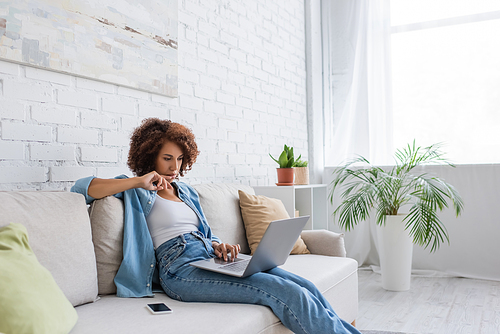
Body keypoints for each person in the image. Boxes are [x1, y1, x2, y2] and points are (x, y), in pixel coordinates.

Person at [71, 118, 361, 334]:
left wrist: (218, 246)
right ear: (149, 156)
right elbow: (82, 188)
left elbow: (204, 234)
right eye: (167, 158)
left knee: (303, 285)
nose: (174, 167)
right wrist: (138, 180)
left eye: (180, 159)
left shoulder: (186, 192)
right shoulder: (136, 189)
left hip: (208, 257)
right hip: (180, 270)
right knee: (287, 293)